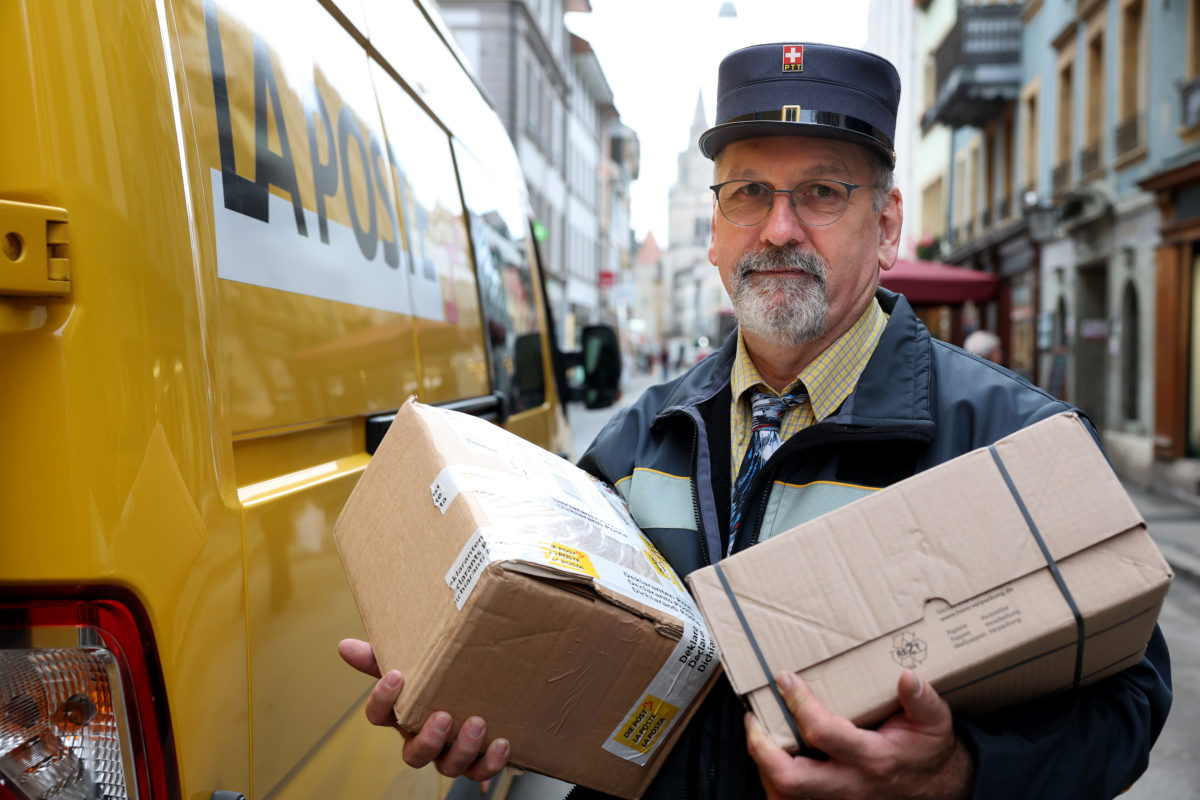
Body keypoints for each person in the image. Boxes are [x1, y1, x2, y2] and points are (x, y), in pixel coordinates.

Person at [340, 42, 1172, 799]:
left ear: (884, 228)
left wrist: (958, 774)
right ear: (712, 231)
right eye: (747, 193)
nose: (778, 229)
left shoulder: (1010, 439)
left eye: (821, 191)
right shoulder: (636, 444)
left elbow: (1132, 698)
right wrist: (486, 697)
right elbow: (571, 661)